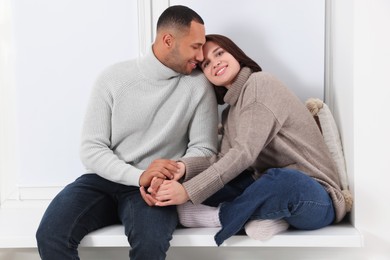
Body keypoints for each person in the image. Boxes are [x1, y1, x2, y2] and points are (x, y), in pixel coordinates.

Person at [36, 6, 219, 260]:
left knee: (150, 244)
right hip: (103, 181)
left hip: (156, 189)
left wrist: (174, 171)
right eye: (195, 46)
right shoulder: (113, 79)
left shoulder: (198, 85)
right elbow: (91, 149)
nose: (201, 56)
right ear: (168, 40)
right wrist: (140, 175)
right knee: (50, 235)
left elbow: (205, 149)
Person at [142, 34, 350, 246]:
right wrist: (183, 170)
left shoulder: (260, 84)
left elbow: (243, 154)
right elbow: (223, 160)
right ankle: (269, 216)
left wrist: (188, 192)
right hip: (267, 186)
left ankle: (222, 217)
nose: (216, 63)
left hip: (315, 197)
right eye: (206, 64)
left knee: (283, 180)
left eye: (220, 53)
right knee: (238, 180)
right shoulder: (229, 113)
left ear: (235, 54)